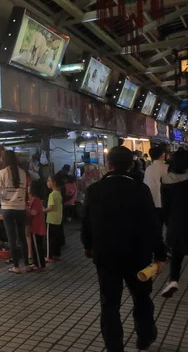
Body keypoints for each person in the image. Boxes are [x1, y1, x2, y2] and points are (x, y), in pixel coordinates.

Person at [81, 146, 166, 352]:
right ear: (131, 165)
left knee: (109, 304)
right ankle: (144, 337)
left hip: (106, 257)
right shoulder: (140, 190)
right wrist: (161, 254)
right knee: (141, 298)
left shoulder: (94, 190)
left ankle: (114, 347)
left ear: (108, 165)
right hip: (138, 256)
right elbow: (152, 224)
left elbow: (86, 224)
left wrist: (88, 246)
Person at [0, 151, 29, 274]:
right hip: (20, 208)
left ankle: (16, 266)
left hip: (7, 208)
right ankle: (26, 264)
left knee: (11, 238)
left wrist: (6, 195)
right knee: (22, 237)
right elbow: (24, 191)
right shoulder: (23, 173)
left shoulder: (1, 173)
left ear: (4, 160)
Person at [160, 150, 188, 299]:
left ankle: (173, 280)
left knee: (177, 255)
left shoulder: (165, 180)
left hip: (176, 223)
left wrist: (167, 222)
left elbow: (165, 206)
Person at [144, 146, 168, 228]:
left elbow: (146, 185)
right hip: (166, 202)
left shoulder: (148, 169)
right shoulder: (167, 168)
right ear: (162, 155)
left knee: (157, 226)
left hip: (153, 202)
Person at [27, 181, 46, 271]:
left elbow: (33, 213)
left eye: (29, 186)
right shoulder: (38, 200)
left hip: (36, 227)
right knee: (38, 246)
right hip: (39, 226)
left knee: (37, 247)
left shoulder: (35, 200)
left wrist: (26, 208)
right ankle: (38, 264)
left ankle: (39, 265)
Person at [44, 175, 64, 262]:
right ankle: (57, 255)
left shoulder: (52, 195)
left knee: (49, 239)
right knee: (56, 239)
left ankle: (48, 256)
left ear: (54, 182)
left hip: (51, 219)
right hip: (58, 219)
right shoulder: (59, 193)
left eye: (49, 180)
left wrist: (42, 210)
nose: (47, 182)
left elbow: (50, 208)